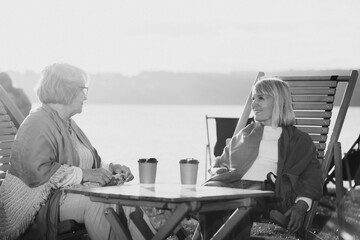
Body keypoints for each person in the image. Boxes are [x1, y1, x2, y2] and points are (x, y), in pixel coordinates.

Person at [0, 63, 155, 240]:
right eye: (83, 89)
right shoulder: (37, 123)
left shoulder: (68, 123)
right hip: (41, 203)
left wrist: (110, 168)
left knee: (127, 200)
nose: (85, 96)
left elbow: (85, 161)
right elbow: (39, 172)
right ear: (64, 90)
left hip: (68, 193)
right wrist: (86, 175)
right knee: (98, 204)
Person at [200, 77, 323, 239]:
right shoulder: (245, 134)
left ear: (278, 102)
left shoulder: (298, 140)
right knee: (208, 194)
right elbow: (220, 161)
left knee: (240, 199)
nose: (254, 104)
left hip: (269, 192)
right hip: (235, 186)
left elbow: (311, 176)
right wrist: (220, 170)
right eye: (253, 98)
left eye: (261, 98)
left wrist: (301, 205)